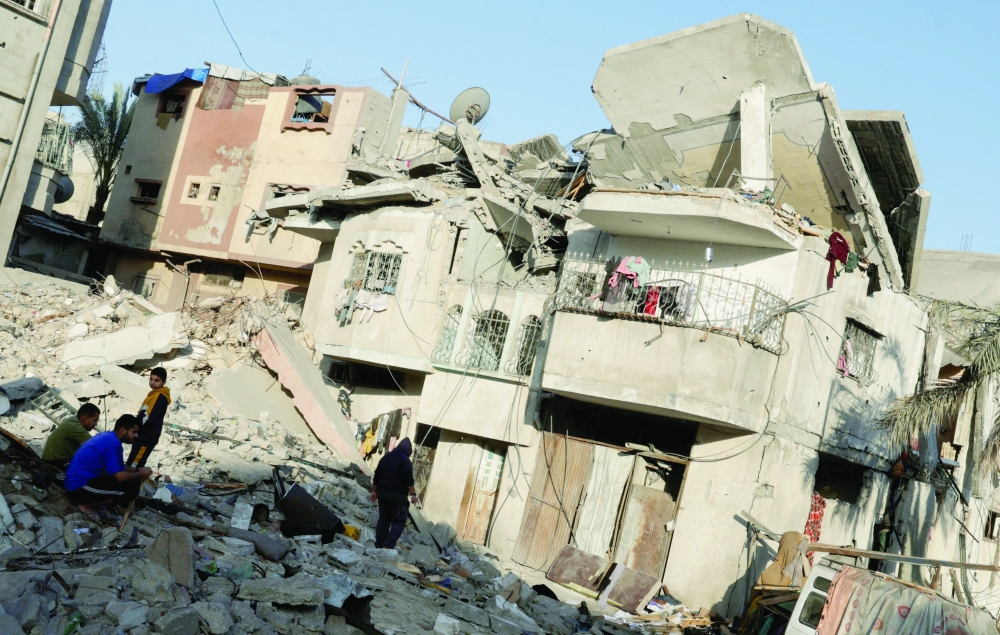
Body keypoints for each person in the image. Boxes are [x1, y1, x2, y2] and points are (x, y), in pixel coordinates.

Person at [64, 414, 152, 515]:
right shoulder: (113, 444)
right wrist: (141, 474)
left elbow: (118, 465)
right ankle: (87, 505)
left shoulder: (108, 437)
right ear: (123, 430)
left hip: (73, 485)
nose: (136, 436)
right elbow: (120, 477)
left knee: (126, 481)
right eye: (134, 432)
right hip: (78, 489)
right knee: (132, 491)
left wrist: (137, 470)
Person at [370, 438, 417, 549]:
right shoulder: (405, 460)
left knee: (384, 519)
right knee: (400, 519)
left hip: (382, 493)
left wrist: (374, 491)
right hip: (398, 495)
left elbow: (377, 475)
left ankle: (379, 544)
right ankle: (388, 545)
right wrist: (413, 495)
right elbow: (408, 480)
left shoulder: (386, 457)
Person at [127, 366, 170, 469]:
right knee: (134, 463)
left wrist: (135, 427)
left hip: (146, 437)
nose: (152, 382)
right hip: (143, 436)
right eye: (151, 379)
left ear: (164, 382)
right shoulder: (154, 394)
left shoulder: (159, 396)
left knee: (134, 466)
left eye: (156, 380)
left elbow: (149, 419)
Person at [42, 403, 100, 468]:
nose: (96, 424)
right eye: (95, 420)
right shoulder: (75, 427)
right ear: (85, 418)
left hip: (52, 464)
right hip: (55, 469)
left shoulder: (72, 421)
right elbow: (96, 448)